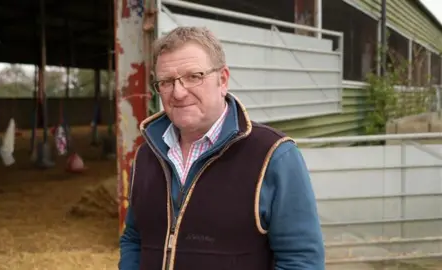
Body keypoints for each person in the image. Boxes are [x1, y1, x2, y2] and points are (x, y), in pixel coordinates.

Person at [119, 26, 325, 270]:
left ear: (223, 80)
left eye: (194, 76)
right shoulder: (146, 155)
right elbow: (134, 237)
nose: (178, 92)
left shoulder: (273, 156)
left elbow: (301, 261)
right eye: (166, 82)